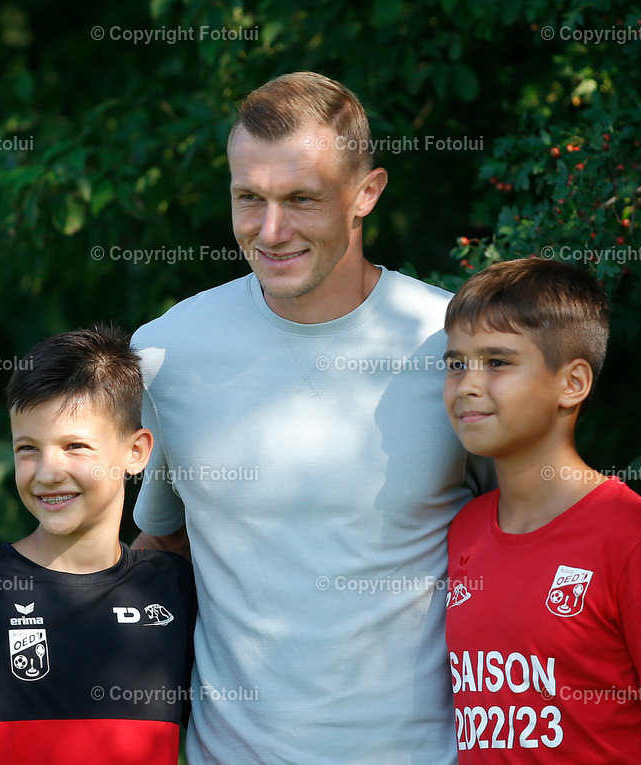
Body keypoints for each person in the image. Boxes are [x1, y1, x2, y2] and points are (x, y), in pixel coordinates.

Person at [131, 71, 489, 763]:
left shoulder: (452, 345)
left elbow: (528, 530)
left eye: (301, 199)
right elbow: (163, 546)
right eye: (249, 198)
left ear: (367, 193)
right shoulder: (168, 352)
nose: (271, 231)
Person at [442, 257, 641, 764]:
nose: (467, 385)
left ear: (572, 383)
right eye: (456, 364)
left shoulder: (635, 541)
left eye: (498, 362)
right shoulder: (464, 529)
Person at [0, 325, 197, 765]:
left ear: (136, 452)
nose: (48, 473)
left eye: (75, 446)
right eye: (28, 448)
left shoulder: (175, 590)